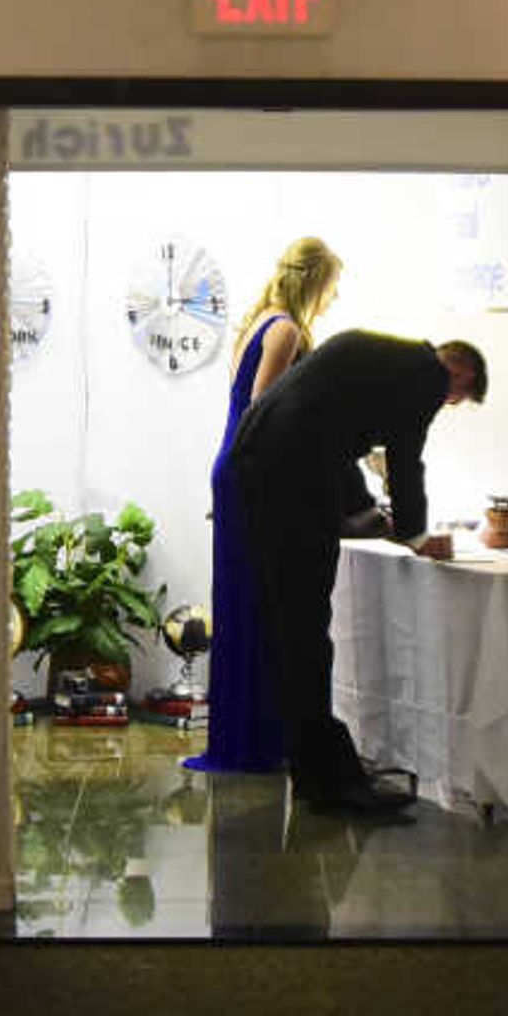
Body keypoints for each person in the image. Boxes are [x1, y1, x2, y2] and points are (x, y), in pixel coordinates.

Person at [220, 330, 487, 815]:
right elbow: (407, 459)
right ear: (460, 373)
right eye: (456, 400)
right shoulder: (425, 373)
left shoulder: (378, 357)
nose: (445, 405)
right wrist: (415, 536)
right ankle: (330, 779)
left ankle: (316, 770)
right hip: (292, 476)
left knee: (293, 627)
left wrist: (367, 513)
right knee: (305, 630)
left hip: (261, 461)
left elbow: (332, 433)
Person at [185, 238, 340, 774]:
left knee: (242, 603)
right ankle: (252, 741)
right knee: (258, 605)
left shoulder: (259, 322)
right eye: (331, 288)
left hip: (235, 470)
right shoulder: (286, 329)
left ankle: (246, 733)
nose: (332, 298)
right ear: (314, 282)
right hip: (252, 475)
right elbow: (261, 413)